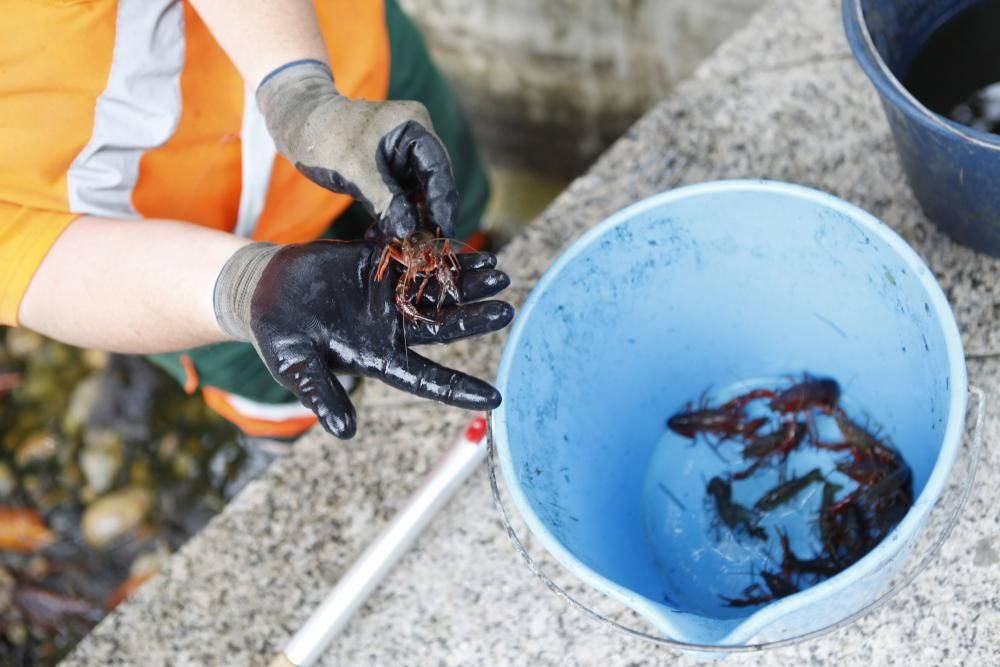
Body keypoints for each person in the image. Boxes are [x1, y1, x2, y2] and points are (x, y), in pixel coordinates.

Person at [0, 0, 514, 440]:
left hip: (350, 83)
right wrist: (241, 288)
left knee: (449, 227)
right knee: (292, 383)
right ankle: (300, 443)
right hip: (166, 262)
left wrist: (299, 92)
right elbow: (22, 255)